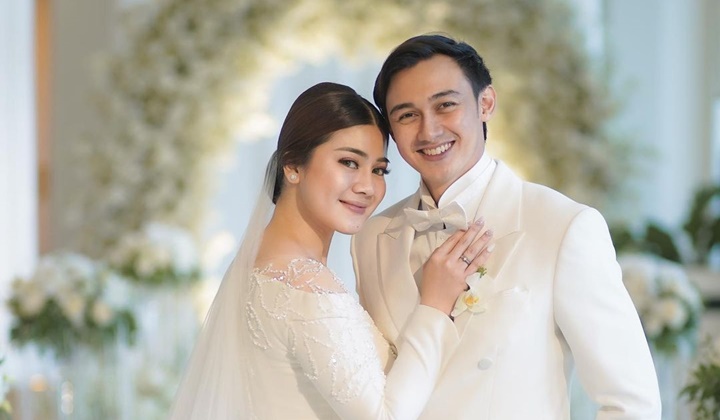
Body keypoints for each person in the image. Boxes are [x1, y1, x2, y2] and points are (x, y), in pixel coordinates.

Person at [351, 34, 662, 419]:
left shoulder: (563, 226)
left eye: (445, 105)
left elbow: (631, 402)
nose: (428, 131)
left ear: (486, 103)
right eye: (407, 115)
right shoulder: (371, 237)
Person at [169, 82, 495, 419]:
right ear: (293, 166)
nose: (367, 187)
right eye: (349, 162)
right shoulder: (303, 286)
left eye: (378, 170)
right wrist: (435, 304)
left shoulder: (263, 266)